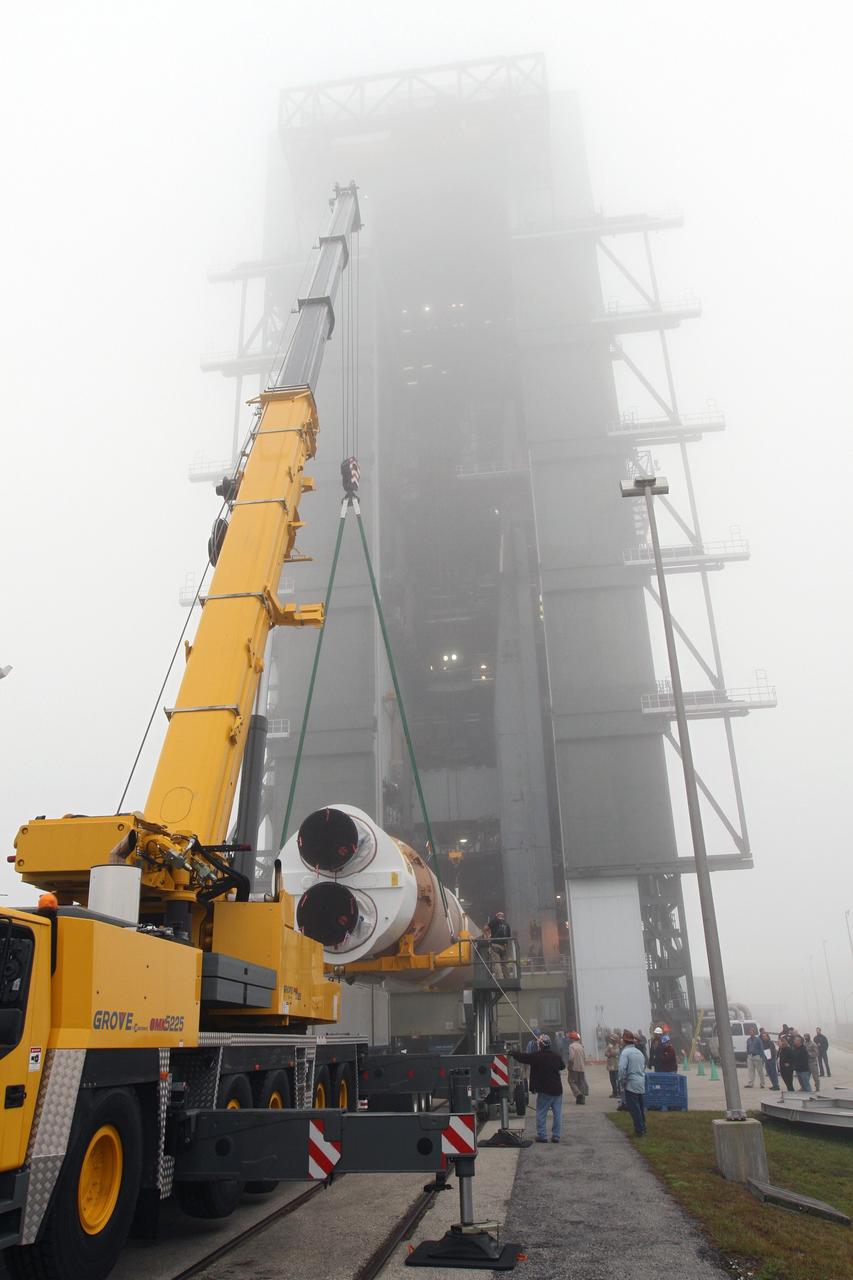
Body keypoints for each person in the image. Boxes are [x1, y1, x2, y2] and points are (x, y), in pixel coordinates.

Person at [509, 1034, 565, 1143]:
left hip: (544, 1090)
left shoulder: (537, 1056)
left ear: (540, 1045)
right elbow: (562, 1066)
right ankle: (556, 1136)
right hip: (558, 1090)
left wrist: (512, 1053)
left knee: (541, 1113)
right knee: (557, 1114)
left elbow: (523, 1057)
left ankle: (542, 1136)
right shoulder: (556, 1056)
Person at [618, 1030, 647, 1136]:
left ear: (625, 1041)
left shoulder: (625, 1053)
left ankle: (639, 1129)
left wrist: (622, 1081)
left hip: (631, 1083)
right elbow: (643, 1066)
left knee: (634, 1108)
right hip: (641, 1081)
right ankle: (643, 1126)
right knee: (640, 1106)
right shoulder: (639, 1052)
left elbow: (622, 1068)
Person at [487, 911, 513, 978]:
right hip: (504, 946)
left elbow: (487, 927)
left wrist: (488, 935)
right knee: (504, 963)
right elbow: (509, 936)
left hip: (495, 945)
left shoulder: (494, 921)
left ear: (497, 916)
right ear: (503, 917)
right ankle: (508, 977)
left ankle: (500, 978)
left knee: (497, 963)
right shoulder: (507, 924)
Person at [567, 1031, 588, 1105]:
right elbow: (584, 1057)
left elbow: (571, 1058)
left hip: (574, 1068)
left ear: (572, 1038)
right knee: (580, 1082)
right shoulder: (581, 1046)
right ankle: (581, 1098)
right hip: (581, 1067)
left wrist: (569, 1066)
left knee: (571, 1081)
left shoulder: (571, 1046)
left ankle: (578, 1094)